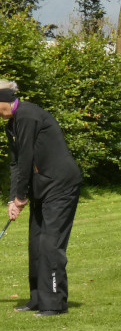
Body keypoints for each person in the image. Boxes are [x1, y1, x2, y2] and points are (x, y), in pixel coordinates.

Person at [0, 80, 82, 317]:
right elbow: (16, 164)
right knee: (36, 243)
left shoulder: (28, 116)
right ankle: (37, 298)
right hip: (42, 187)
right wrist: (13, 199)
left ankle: (54, 303)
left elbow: (27, 158)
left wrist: (21, 197)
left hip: (61, 184)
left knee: (50, 243)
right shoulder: (12, 125)